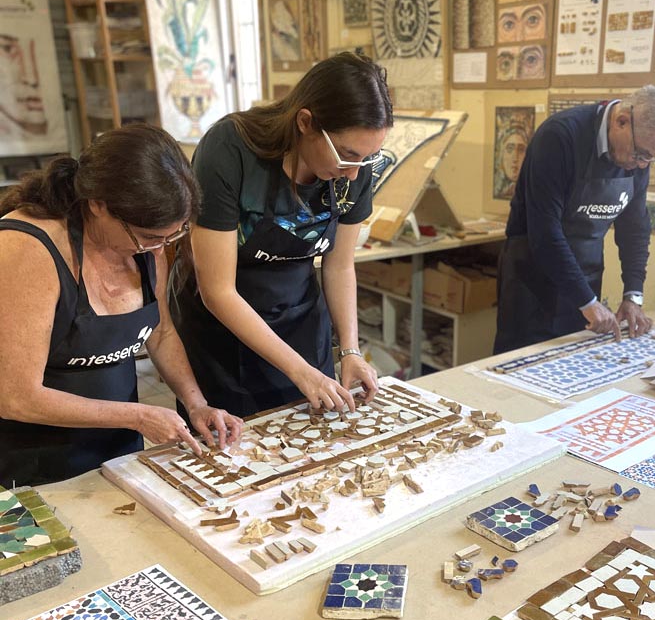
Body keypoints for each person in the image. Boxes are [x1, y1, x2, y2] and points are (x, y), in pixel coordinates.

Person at [0, 123, 242, 487]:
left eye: (171, 236)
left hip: (118, 453)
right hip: (36, 467)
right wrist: (138, 416)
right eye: (150, 238)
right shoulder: (27, 250)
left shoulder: (145, 246)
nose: (159, 250)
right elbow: (16, 397)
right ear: (98, 204)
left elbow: (159, 333)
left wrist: (196, 403)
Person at [169, 52, 391, 418]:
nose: (355, 174)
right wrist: (300, 371)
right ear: (305, 122)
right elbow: (218, 290)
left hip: (300, 318)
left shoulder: (356, 164)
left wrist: (350, 350)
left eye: (367, 159)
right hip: (226, 329)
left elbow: (339, 267)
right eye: (348, 156)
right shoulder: (230, 150)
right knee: (234, 459)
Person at [494, 86, 655, 353]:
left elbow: (635, 230)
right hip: (533, 279)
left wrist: (633, 295)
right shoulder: (560, 137)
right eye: (641, 155)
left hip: (586, 275)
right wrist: (587, 302)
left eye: (654, 157)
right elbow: (545, 232)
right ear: (621, 121)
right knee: (519, 370)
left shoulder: (639, 151)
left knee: (570, 368)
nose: (643, 165)